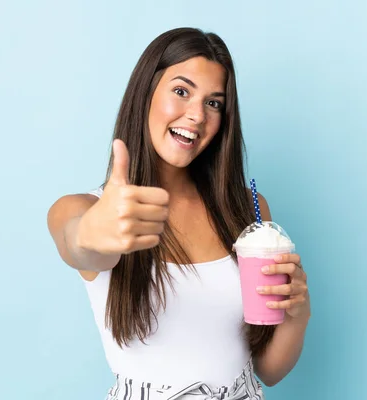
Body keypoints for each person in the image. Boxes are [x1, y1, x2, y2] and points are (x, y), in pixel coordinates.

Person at [47, 27, 310, 400]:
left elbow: (268, 370)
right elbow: (80, 244)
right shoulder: (83, 209)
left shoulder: (247, 214)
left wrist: (298, 312)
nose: (197, 116)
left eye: (213, 103)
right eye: (181, 92)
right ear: (146, 93)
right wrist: (94, 233)